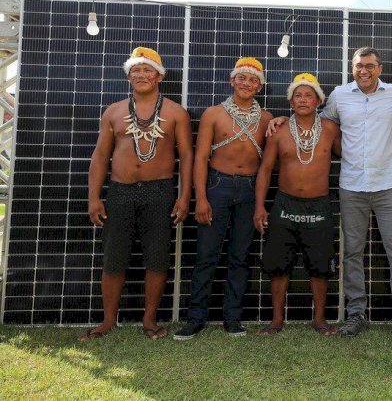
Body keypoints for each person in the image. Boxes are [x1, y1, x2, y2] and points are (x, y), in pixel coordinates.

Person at [266, 46, 392, 343]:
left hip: (388, 184)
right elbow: (314, 123)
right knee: (352, 252)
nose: (363, 71)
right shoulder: (340, 95)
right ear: (352, 68)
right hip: (351, 186)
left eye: (369, 65)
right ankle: (356, 314)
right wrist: (280, 120)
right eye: (358, 66)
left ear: (379, 68)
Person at [84, 46, 193, 340]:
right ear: (129, 76)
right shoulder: (114, 111)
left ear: (158, 77)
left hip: (159, 192)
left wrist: (184, 197)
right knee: (113, 258)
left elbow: (187, 157)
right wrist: (94, 197)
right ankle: (108, 321)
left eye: (147, 70)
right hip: (120, 191)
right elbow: (99, 157)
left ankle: (149, 320)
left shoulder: (175, 112)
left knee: (156, 258)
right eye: (136, 70)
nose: (141, 75)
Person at [174, 57, 272, 340]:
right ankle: (195, 318)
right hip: (217, 186)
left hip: (250, 190)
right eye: (242, 78)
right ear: (232, 81)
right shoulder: (213, 114)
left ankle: (232, 318)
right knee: (206, 254)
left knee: (240, 257)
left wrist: (280, 119)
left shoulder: (265, 119)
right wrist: (200, 198)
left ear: (259, 87)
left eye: (253, 80)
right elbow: (201, 157)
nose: (247, 83)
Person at [253, 73, 341, 336]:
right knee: (279, 264)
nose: (303, 100)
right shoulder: (278, 130)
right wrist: (260, 206)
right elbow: (265, 170)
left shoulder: (330, 128)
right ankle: (276, 320)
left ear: (318, 101)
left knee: (320, 265)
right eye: (298, 95)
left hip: (320, 205)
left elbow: (351, 153)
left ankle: (320, 320)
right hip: (285, 204)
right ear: (291, 102)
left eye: (308, 95)